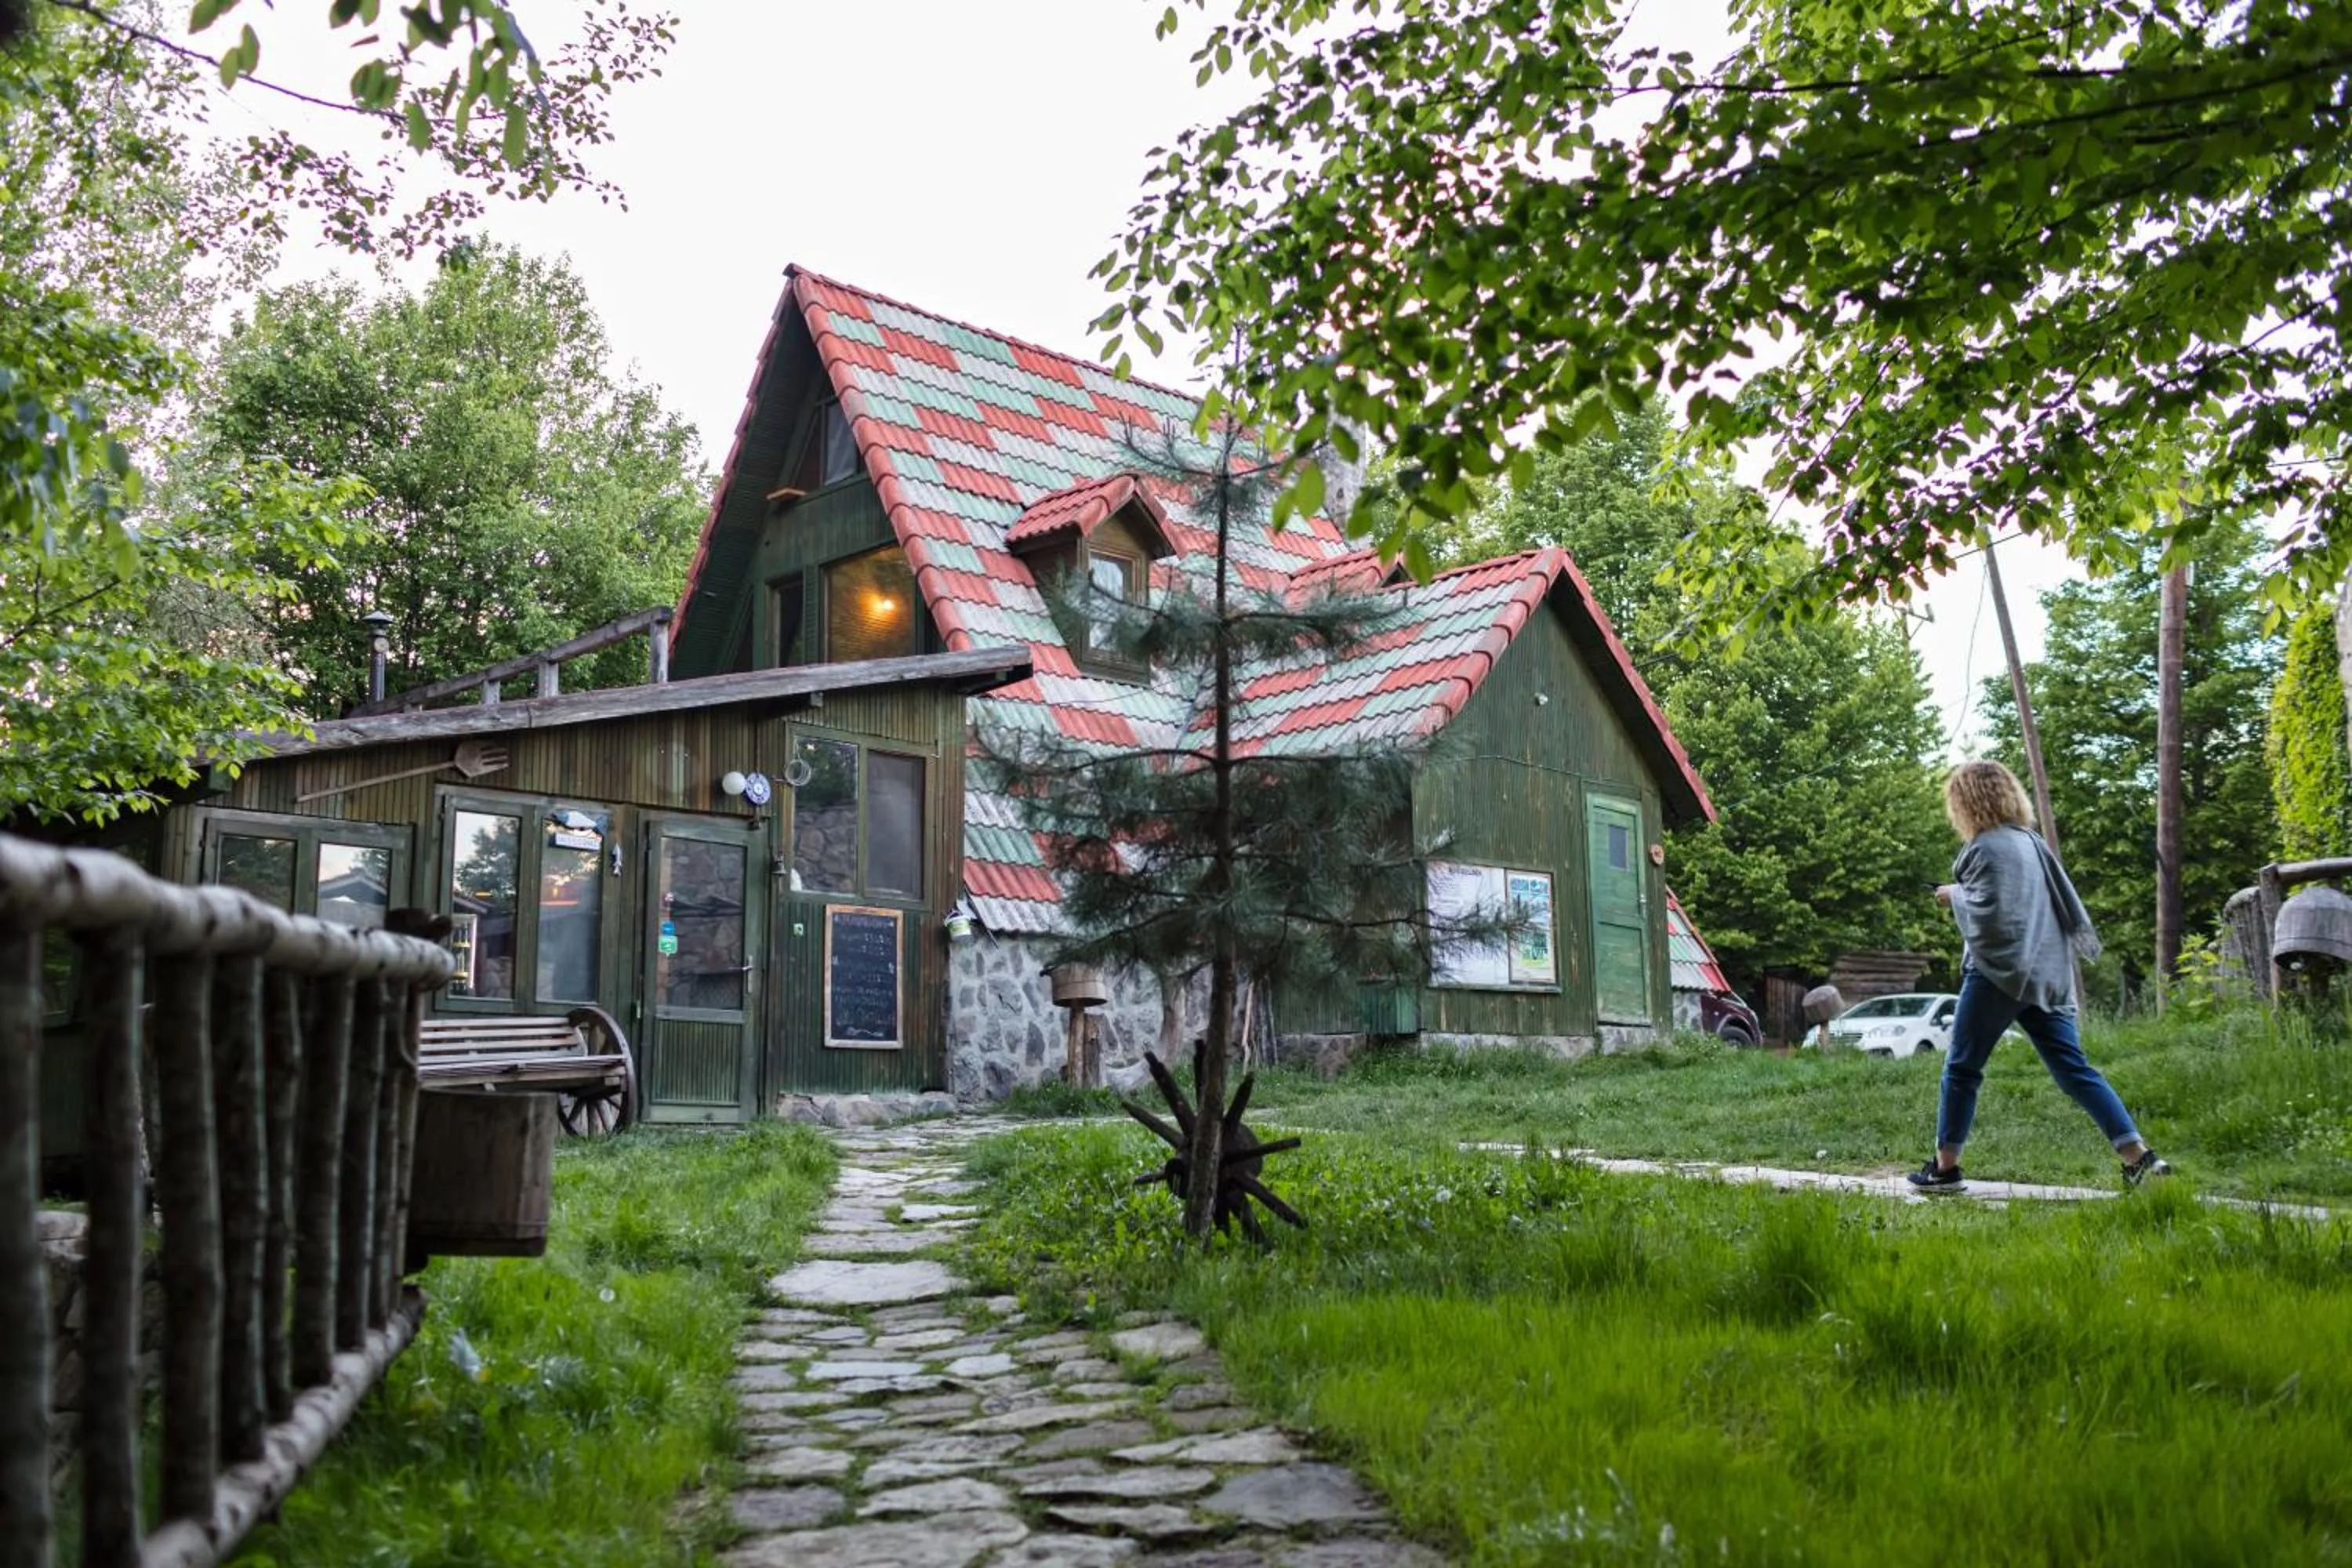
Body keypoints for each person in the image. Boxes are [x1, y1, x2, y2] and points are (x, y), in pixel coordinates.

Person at [1907, 760, 2172, 1192]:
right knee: (2074, 1069)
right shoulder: (2032, 843)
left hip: (1997, 974)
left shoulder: (1984, 847)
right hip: (2045, 976)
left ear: (1966, 803)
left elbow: (1992, 915)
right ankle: (2139, 1158)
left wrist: (1953, 895)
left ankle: (1945, 1169)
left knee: (1961, 1070)